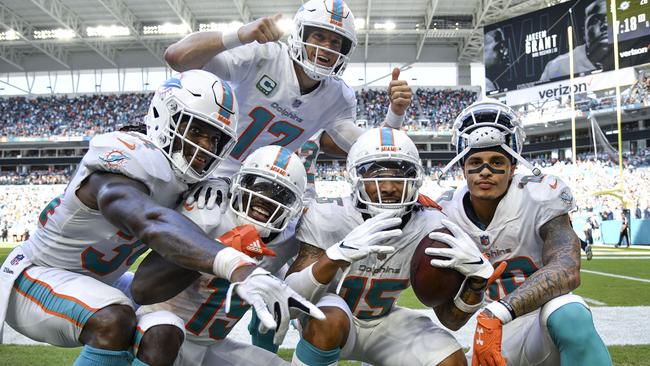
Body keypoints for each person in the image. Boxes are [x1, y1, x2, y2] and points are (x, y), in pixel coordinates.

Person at [0, 70, 322, 366]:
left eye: (214, 139)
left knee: (164, 329)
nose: (203, 148)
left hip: (101, 281)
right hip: (36, 275)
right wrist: (236, 265)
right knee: (115, 317)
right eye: (195, 131)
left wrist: (218, 186)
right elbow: (149, 220)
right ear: (162, 116)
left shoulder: (190, 181)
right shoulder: (127, 157)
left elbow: (147, 282)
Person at [285, 127, 498, 366]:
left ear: (415, 180)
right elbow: (290, 305)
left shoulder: (432, 225)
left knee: (450, 360)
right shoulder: (329, 214)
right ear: (356, 179)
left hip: (382, 321)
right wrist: (336, 255)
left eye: (399, 176)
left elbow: (451, 321)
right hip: (327, 320)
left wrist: (477, 281)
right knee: (328, 319)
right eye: (376, 176)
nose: (388, 187)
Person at [436, 100, 611, 366]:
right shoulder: (446, 211)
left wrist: (500, 310)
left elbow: (567, 268)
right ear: (462, 168)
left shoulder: (539, 194)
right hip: (490, 334)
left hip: (540, 328)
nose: (485, 171)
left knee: (570, 312)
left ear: (513, 167)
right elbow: (451, 320)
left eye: (497, 161)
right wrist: (474, 287)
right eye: (476, 162)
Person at [163, 0, 413, 178]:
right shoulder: (263, 55)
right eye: (319, 37)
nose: (328, 47)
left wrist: (396, 113)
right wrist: (239, 34)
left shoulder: (338, 96)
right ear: (300, 34)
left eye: (336, 42)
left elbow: (372, 150)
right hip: (201, 166)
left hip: (256, 186)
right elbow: (176, 57)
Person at [129, 145, 314, 365]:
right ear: (240, 182)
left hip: (209, 345)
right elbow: (142, 289)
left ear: (292, 207)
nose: (265, 199)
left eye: (281, 195)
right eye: (259, 186)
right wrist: (217, 252)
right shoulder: (207, 210)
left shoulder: (289, 238)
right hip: (155, 331)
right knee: (165, 331)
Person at [540, 0, 611, 81]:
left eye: (610, 18)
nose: (605, 25)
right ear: (584, 32)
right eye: (595, 20)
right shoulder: (557, 66)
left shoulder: (627, 53)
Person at [484, 28, 509, 93]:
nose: (506, 52)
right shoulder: (485, 87)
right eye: (499, 47)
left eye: (504, 46)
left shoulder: (493, 84)